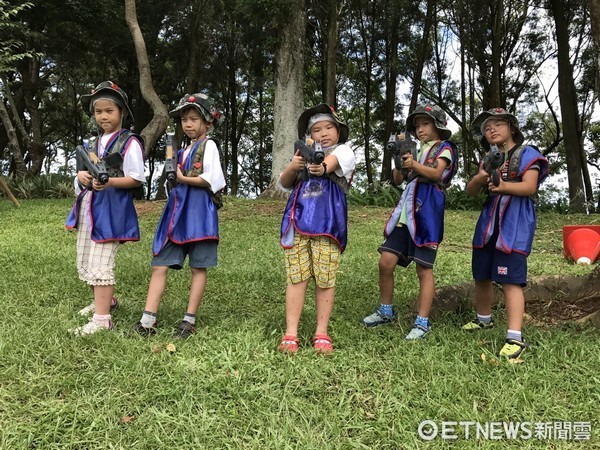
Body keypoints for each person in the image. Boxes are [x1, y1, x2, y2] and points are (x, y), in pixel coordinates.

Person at [361, 104, 458, 340]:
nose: (420, 129)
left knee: (423, 268)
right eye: (417, 125)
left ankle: (422, 322)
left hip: (427, 214)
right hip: (405, 214)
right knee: (386, 261)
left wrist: (414, 165)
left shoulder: (444, 148)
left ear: (438, 126)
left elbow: (437, 174)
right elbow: (397, 179)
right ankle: (386, 310)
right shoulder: (413, 149)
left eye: (425, 124)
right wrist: (399, 160)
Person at [133, 93, 225, 339]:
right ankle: (148, 318)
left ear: (207, 122)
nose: (188, 124)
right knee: (159, 263)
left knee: (198, 266)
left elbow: (213, 179)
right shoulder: (180, 150)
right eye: (184, 119)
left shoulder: (209, 145)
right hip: (175, 215)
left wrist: (184, 179)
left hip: (198, 217)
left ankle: (189, 320)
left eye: (194, 118)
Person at [463, 107, 548, 359]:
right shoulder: (488, 158)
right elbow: (470, 191)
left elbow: (530, 187)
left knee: (511, 279)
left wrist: (502, 187)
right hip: (488, 223)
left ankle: (515, 337)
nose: (492, 130)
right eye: (487, 128)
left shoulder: (527, 153)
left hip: (515, 223)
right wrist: (480, 177)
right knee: (482, 273)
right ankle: (484, 319)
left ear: (512, 128)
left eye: (498, 124)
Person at [66, 81, 146, 335]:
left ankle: (102, 319)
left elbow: (136, 178)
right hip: (89, 208)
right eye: (98, 111)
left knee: (101, 261)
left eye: (109, 111)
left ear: (122, 112)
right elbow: (81, 174)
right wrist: (81, 178)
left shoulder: (129, 142)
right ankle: (105, 301)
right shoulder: (92, 144)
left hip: (111, 211)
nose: (103, 116)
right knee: (88, 257)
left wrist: (109, 181)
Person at [277, 104, 356, 353]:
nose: (323, 134)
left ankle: (321, 331)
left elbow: (329, 164)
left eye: (328, 127)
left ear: (339, 130)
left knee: (325, 278)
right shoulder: (304, 153)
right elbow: (284, 183)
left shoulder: (343, 151)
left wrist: (319, 167)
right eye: (316, 130)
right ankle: (291, 332)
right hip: (298, 222)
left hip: (327, 225)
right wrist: (295, 164)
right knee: (297, 277)